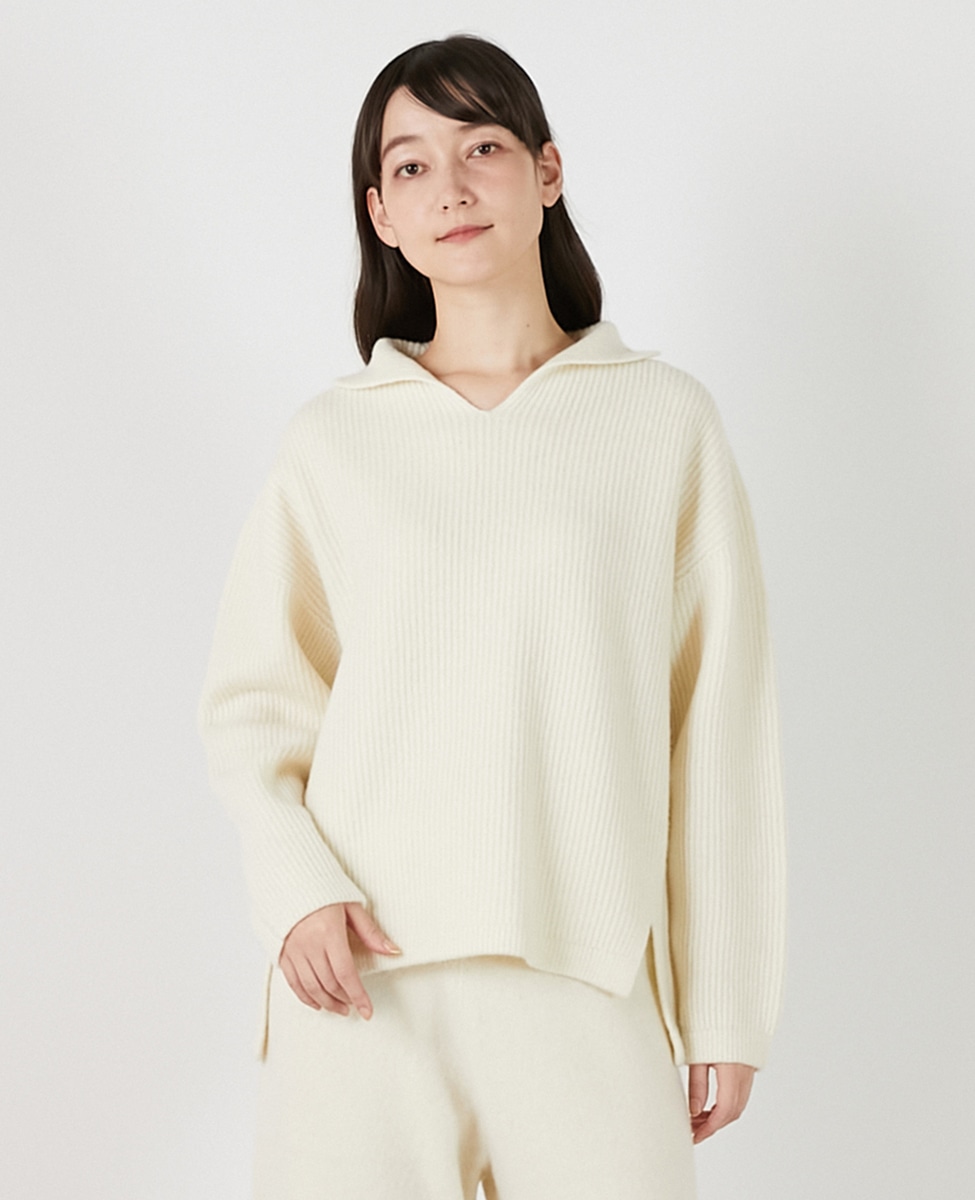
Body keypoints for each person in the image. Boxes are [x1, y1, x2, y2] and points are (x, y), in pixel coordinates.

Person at [197, 31, 787, 1200]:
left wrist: (725, 1003)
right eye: (411, 166)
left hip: (586, 975)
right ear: (380, 213)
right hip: (363, 987)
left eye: (483, 148)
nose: (452, 187)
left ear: (547, 171)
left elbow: (717, 729)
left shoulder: (661, 422)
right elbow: (254, 707)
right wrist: (296, 891)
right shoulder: (334, 439)